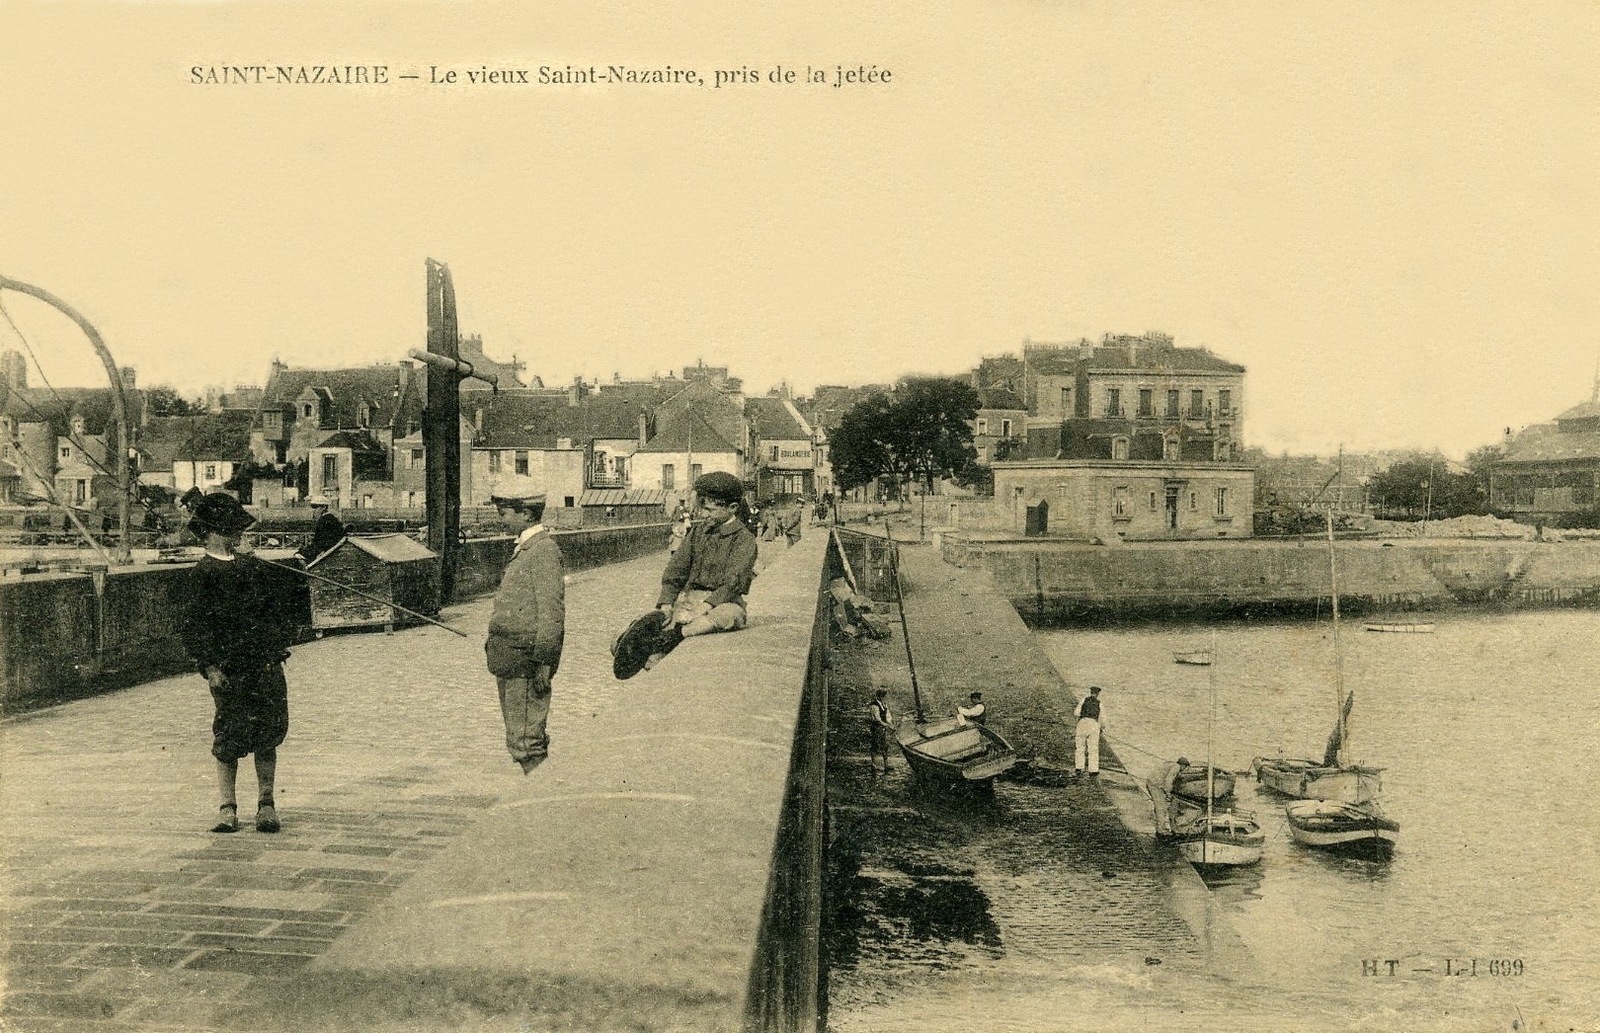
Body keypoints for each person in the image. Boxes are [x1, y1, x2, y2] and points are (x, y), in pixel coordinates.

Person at [179, 493, 296, 834]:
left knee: (267, 736)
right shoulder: (202, 573)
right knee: (228, 738)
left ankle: (266, 805)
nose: (238, 537)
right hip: (229, 670)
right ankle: (227, 807)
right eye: (232, 532)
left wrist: (263, 565)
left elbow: (277, 606)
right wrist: (210, 667)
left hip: (264, 665)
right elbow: (193, 626)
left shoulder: (252, 566)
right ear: (214, 533)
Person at [484, 479, 565, 774]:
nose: (500, 518)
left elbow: (551, 612)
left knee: (527, 741)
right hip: (511, 658)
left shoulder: (543, 551)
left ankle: (543, 805)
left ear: (526, 515)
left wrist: (544, 660)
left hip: (527, 660)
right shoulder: (527, 548)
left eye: (504, 513)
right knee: (519, 737)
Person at [645, 471, 759, 670]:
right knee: (659, 626)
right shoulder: (698, 532)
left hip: (723, 602)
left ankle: (678, 635)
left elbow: (734, 582)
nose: (703, 515)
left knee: (726, 616)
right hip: (690, 599)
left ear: (732, 508)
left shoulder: (744, 539)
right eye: (701, 509)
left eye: (709, 510)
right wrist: (666, 603)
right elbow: (676, 569)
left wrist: (705, 607)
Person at [298, 497, 345, 564]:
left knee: (299, 558)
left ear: (324, 507)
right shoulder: (330, 518)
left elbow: (321, 543)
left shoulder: (325, 520)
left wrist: (303, 553)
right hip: (330, 552)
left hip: (328, 555)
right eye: (312, 507)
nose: (313, 510)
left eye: (315, 507)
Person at [1074, 685, 1105, 777]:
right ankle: (1093, 770)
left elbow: (1076, 713)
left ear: (1090, 692)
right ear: (1098, 694)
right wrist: (1102, 728)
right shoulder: (1100, 703)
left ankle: (1079, 767)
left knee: (1080, 746)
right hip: (1093, 724)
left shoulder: (1084, 700)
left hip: (1082, 723)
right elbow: (1103, 719)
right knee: (1093, 748)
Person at [867, 688, 894, 772]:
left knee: (884, 745)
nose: (883, 698)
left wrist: (890, 724)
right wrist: (887, 725)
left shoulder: (884, 704)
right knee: (875, 745)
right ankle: (873, 764)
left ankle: (886, 764)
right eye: (881, 696)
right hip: (876, 727)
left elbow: (888, 716)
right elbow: (877, 719)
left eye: (883, 696)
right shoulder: (874, 705)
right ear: (878, 696)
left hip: (883, 728)